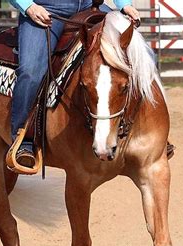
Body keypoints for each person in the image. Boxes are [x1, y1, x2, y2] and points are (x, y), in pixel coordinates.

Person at [8, 0, 140, 168]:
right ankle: (23, 139)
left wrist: (124, 4)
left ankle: (145, 128)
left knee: (140, 51)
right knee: (31, 72)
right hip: (45, 10)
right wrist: (28, 6)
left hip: (90, 7)